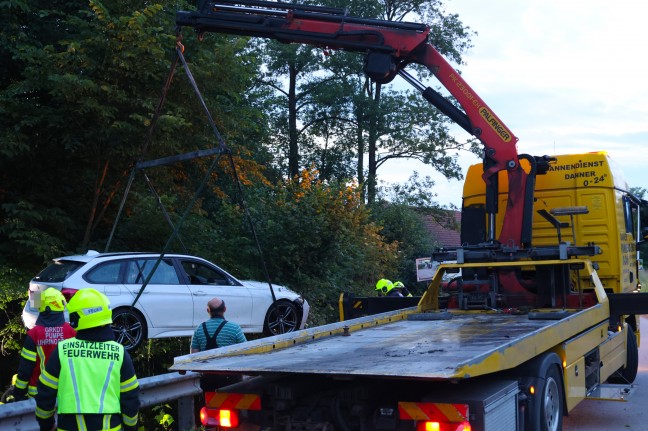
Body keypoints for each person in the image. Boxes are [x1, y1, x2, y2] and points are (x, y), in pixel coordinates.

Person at [35, 288, 140, 431]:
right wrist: (130, 427)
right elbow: (131, 398)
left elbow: (45, 394)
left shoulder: (62, 350)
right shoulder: (119, 353)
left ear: (77, 318)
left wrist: (46, 425)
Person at [14, 288, 76, 401]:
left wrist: (19, 393)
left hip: (38, 394)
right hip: (66, 393)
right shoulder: (72, 332)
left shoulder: (33, 334)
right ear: (62, 305)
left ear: (41, 308)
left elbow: (25, 368)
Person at [191, 297, 247, 390]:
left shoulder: (199, 329)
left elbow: (194, 356)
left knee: (210, 404)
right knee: (231, 403)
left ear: (208, 310)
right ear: (225, 309)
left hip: (208, 379)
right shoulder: (234, 328)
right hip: (231, 378)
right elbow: (246, 351)